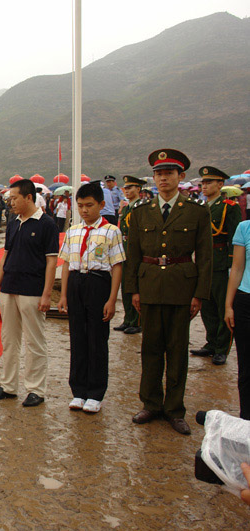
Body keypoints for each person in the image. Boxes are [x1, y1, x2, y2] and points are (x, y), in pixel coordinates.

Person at [124, 149, 212, 435]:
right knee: (150, 348)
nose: (163, 178)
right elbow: (133, 254)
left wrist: (199, 294)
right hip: (148, 287)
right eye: (159, 174)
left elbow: (206, 256)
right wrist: (133, 291)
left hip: (181, 288)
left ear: (181, 177)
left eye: (169, 173)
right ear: (154, 178)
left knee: (177, 351)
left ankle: (174, 409)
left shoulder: (197, 211)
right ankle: (151, 403)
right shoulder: (140, 213)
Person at [0, 179, 59, 407]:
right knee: (9, 340)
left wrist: (47, 294)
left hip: (32, 290)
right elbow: (5, 256)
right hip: (9, 288)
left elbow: (51, 262)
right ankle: (8, 386)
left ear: (29, 197)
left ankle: (36, 389)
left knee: (34, 341)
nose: (11, 203)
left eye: (15, 198)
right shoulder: (13, 223)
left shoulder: (46, 224)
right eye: (9, 199)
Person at [58, 182, 125, 414]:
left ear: (101, 205)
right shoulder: (73, 231)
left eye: (89, 205)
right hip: (76, 282)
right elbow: (66, 264)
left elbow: (117, 266)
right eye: (80, 206)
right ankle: (78, 390)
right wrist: (64, 294)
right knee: (77, 338)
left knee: (97, 339)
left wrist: (112, 299)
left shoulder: (112, 231)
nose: (84, 210)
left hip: (98, 283)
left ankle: (95, 393)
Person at [188, 167, 241, 366]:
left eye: (209, 183)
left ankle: (221, 348)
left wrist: (231, 263)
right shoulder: (201, 206)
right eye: (203, 183)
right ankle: (211, 342)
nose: (205, 186)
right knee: (207, 306)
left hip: (220, 262)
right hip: (204, 262)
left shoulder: (228, 206)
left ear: (220, 185)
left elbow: (235, 238)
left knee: (222, 307)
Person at [114, 175, 145, 335]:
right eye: (125, 188)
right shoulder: (126, 208)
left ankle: (137, 320)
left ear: (138, 189)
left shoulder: (142, 207)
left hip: (136, 247)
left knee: (135, 285)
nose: (127, 191)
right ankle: (128, 318)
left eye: (130, 188)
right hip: (125, 246)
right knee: (125, 284)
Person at [225, 218, 250, 419]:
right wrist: (228, 305)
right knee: (246, 368)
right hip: (245, 301)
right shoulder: (244, 227)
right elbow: (237, 268)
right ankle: (246, 423)